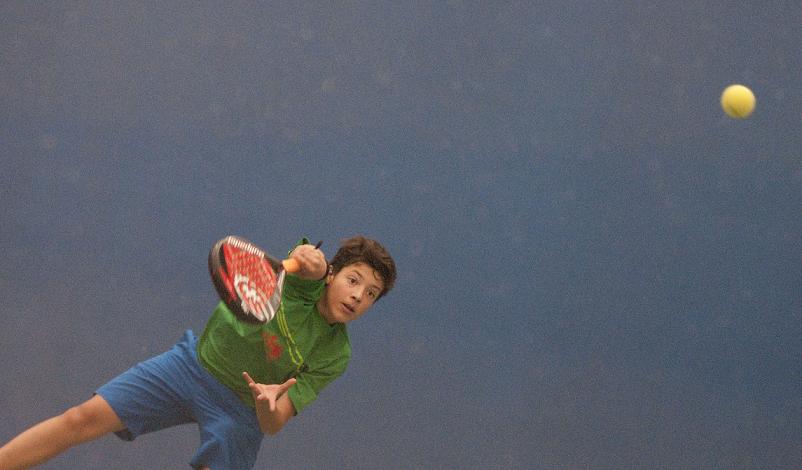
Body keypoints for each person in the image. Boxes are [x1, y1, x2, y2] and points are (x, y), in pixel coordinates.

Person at [0, 236, 396, 470]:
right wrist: (313, 261)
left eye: (371, 294)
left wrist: (266, 404)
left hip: (241, 415)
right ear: (333, 276)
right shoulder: (304, 283)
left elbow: (274, 423)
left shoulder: (335, 354)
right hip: (191, 367)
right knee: (81, 418)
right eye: (353, 280)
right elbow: (309, 263)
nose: (357, 296)